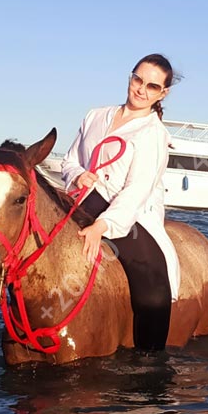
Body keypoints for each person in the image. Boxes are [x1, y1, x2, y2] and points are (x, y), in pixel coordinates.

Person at [60, 55, 180, 352]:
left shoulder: (153, 134)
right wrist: (78, 175)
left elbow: (136, 191)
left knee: (152, 288)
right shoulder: (95, 116)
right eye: (138, 79)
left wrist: (102, 226)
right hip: (83, 201)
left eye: (152, 86)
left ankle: (150, 361)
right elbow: (70, 160)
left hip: (131, 215)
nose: (141, 90)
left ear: (163, 93)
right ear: (130, 77)